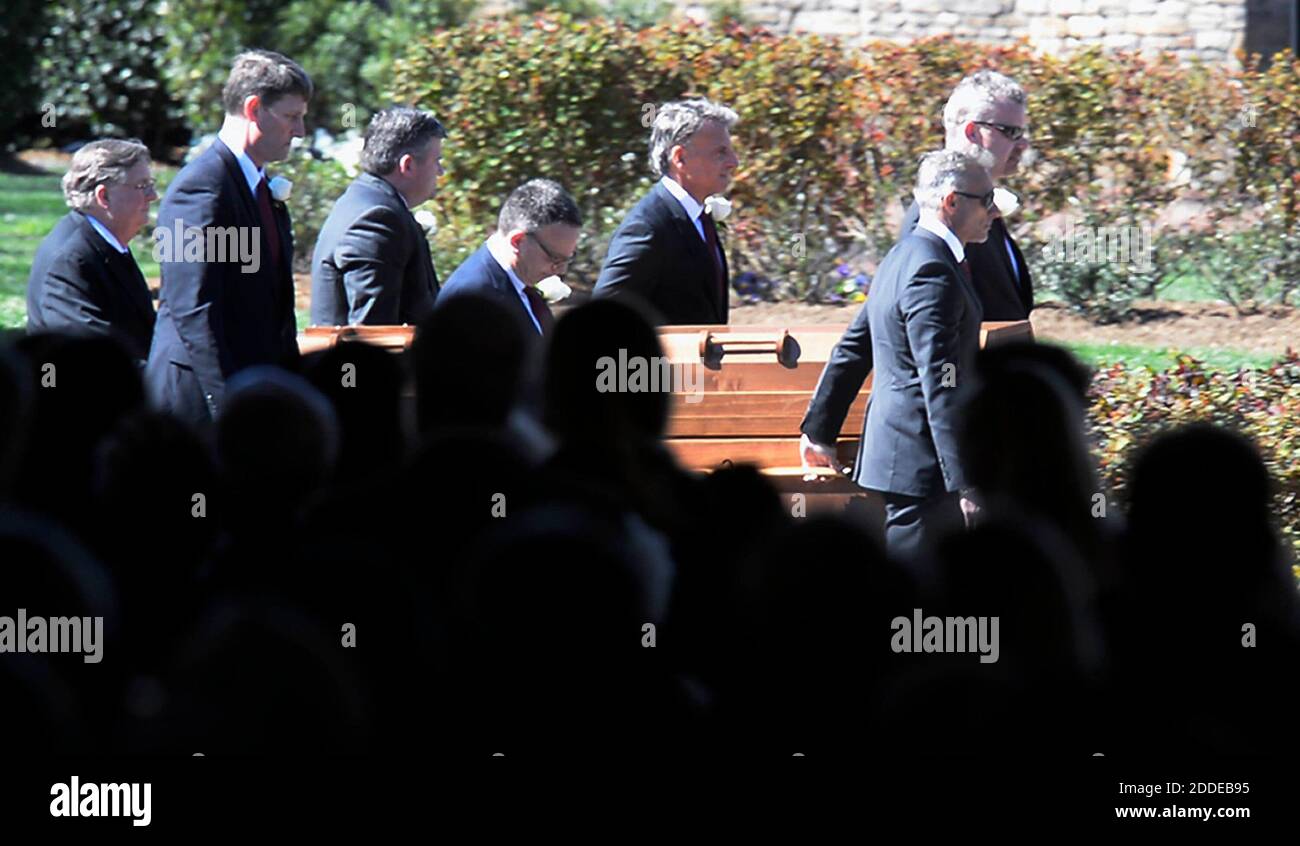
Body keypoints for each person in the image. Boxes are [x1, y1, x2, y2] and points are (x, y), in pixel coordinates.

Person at [800, 150, 998, 560]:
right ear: (952, 201)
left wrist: (820, 429)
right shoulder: (933, 270)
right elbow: (939, 380)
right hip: (924, 470)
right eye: (987, 199)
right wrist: (966, 482)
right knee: (917, 604)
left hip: (906, 463)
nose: (994, 211)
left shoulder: (902, 256)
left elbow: (856, 345)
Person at [145, 49, 311, 428]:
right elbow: (194, 309)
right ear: (254, 109)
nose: (300, 131)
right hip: (200, 402)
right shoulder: (202, 189)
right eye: (291, 117)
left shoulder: (255, 184)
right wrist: (230, 407)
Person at [901, 70, 1033, 320]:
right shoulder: (936, 217)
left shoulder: (977, 206)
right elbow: (932, 331)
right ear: (973, 132)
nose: (1023, 144)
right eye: (1011, 132)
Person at [592, 98, 739, 325]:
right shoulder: (648, 226)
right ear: (680, 158)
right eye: (720, 153)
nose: (733, 162)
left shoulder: (700, 218)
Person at [310, 107, 445, 326]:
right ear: (408, 165)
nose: (440, 172)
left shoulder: (366, 201)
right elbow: (373, 334)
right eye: (437, 161)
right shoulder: (378, 218)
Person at [26, 139, 158, 362]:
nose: (153, 195)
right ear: (103, 196)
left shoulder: (106, 241)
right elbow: (91, 357)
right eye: (142, 186)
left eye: (151, 183)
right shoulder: (70, 259)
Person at [440, 178, 581, 336]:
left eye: (569, 257)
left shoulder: (520, 284)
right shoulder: (472, 299)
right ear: (518, 242)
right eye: (555, 258)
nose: (562, 270)